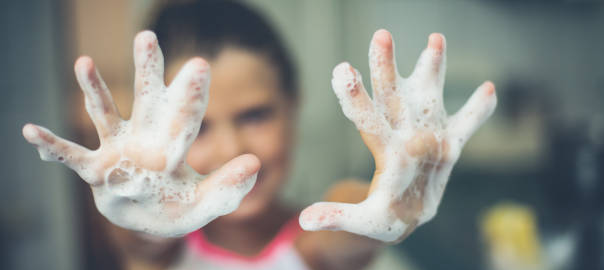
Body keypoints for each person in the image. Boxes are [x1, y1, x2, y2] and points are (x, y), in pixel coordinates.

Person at [22, 1, 497, 269]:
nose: (232, 151)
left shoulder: (315, 242)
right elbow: (139, 245)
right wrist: (136, 213)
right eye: (199, 127)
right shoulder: (163, 249)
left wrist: (386, 205)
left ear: (295, 103)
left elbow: (345, 226)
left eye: (254, 115)